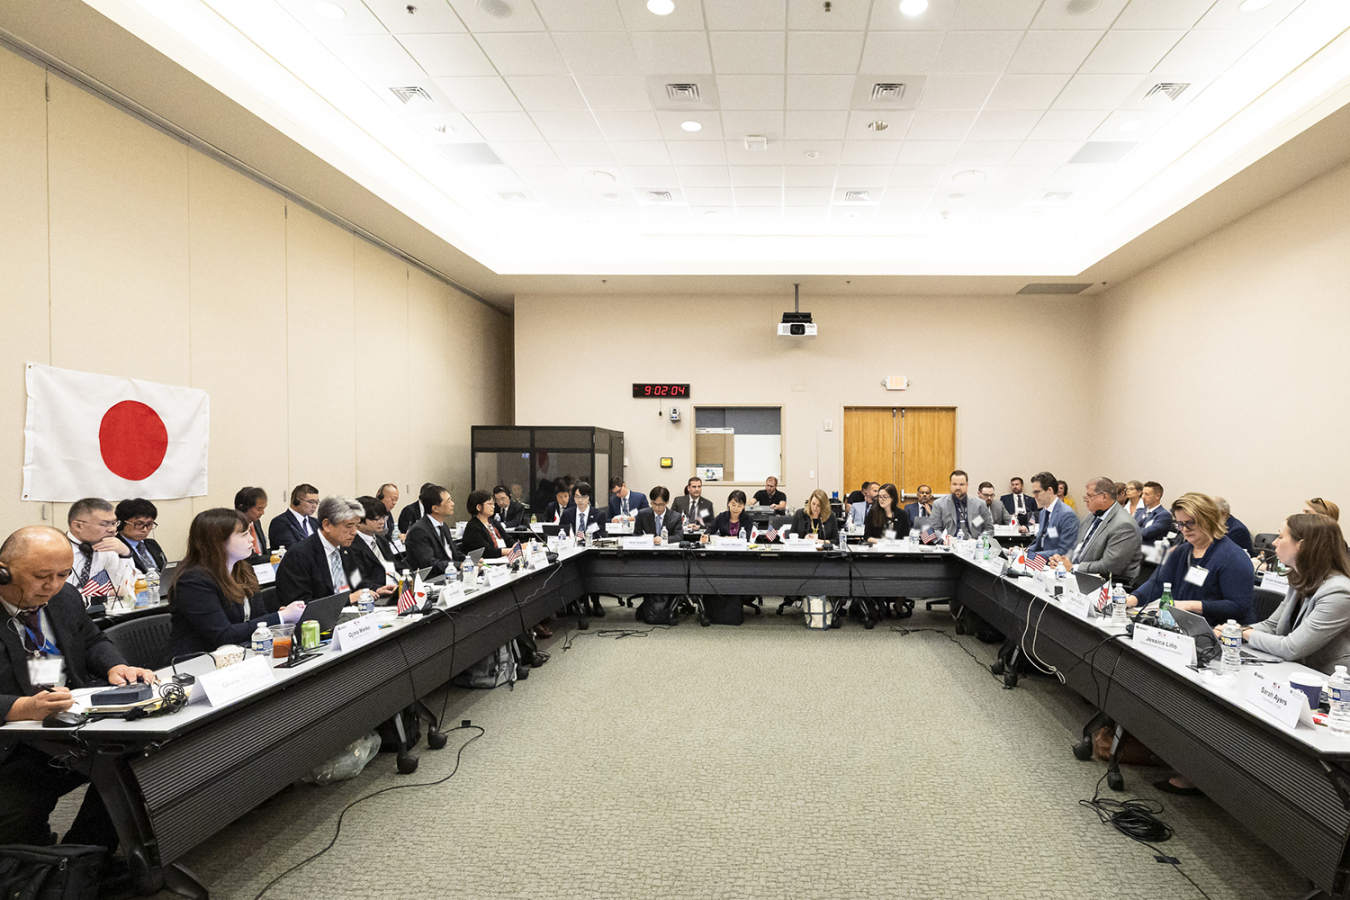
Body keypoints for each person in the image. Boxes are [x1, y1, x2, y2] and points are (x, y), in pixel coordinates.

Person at [0, 525, 158, 850]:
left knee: (137, 764)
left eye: (62, 574)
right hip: (12, 744)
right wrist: (22, 708)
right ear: (3, 571)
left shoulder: (64, 597)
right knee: (17, 814)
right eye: (42, 576)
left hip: (71, 728)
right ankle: (36, 870)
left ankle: (86, 861)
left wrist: (116, 665)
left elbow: (91, 639)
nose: (53, 586)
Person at [165, 509, 307, 661]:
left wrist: (279, 617)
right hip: (195, 662)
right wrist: (280, 617)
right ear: (218, 541)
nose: (252, 540)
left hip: (240, 656)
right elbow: (223, 635)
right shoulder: (193, 581)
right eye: (244, 534)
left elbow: (258, 617)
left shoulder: (243, 570)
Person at [1227, 513, 1350, 674]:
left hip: (1329, 681)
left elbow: (1291, 648)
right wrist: (1233, 630)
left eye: (1280, 536)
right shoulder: (1300, 578)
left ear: (1302, 545)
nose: (1274, 542)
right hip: (1296, 669)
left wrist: (1244, 633)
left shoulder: (1338, 592)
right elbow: (1272, 625)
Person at [1127, 492, 1256, 626]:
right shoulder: (1180, 551)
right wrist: (1131, 599)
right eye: (1180, 524)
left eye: (1190, 523)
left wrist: (1189, 606)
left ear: (1208, 519)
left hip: (1221, 632)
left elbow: (1238, 606)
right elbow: (1158, 584)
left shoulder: (1232, 557)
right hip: (1183, 624)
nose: (1185, 529)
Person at [459, 491, 549, 667]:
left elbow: (507, 539)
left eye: (493, 503)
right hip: (490, 569)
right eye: (490, 503)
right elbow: (487, 551)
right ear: (478, 507)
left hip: (506, 565)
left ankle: (529, 642)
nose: (494, 506)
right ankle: (525, 652)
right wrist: (512, 550)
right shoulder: (473, 527)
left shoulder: (493, 523)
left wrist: (518, 546)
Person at [276, 496, 390, 605]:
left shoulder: (346, 549)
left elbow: (357, 582)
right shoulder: (299, 555)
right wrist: (347, 600)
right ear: (327, 525)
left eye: (356, 526)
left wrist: (376, 589)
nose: (354, 532)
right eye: (349, 526)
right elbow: (300, 605)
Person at [1049, 477, 1142, 583]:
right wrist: (1061, 561)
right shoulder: (1090, 516)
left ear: (1104, 497)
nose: (1085, 499)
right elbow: (1077, 546)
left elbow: (1109, 567)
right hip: (1080, 576)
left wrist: (1072, 567)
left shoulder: (1124, 525)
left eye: (1089, 495)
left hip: (1109, 584)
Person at [862, 484, 913, 623]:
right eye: (879, 497)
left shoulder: (901, 514)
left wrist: (894, 544)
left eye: (885, 497)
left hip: (897, 555)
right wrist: (880, 541)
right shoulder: (873, 513)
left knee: (906, 569)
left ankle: (898, 602)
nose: (881, 499)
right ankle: (879, 602)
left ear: (893, 498)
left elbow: (905, 537)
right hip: (878, 555)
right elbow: (866, 537)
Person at [64, 497, 131, 601]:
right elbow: (55, 594)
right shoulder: (56, 550)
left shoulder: (108, 547)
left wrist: (125, 554)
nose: (112, 530)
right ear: (78, 526)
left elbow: (125, 589)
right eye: (104, 524)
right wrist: (105, 592)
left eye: (114, 523)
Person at [405, 484, 464, 575]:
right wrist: (458, 566)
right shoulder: (419, 531)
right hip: (433, 580)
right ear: (435, 508)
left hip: (451, 574)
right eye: (448, 501)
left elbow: (455, 553)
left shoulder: (444, 526)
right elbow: (429, 563)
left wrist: (468, 561)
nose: (453, 503)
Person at [1026, 471, 1080, 557]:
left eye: (1037, 492)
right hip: (1043, 564)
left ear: (1050, 490)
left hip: (1058, 566)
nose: (1034, 496)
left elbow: (1066, 551)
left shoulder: (1067, 515)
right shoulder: (1043, 513)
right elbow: (1044, 542)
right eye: (1034, 493)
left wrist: (1034, 556)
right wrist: (1027, 551)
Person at [350, 496, 399, 590]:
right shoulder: (352, 544)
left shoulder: (382, 539)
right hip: (377, 592)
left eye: (384, 518)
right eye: (377, 519)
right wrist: (378, 589)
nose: (382, 522)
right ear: (359, 520)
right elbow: (358, 581)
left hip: (397, 587)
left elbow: (396, 566)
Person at [932, 470, 994, 538]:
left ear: (967, 485)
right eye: (954, 484)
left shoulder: (980, 504)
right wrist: (943, 539)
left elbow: (989, 529)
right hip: (949, 545)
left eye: (961, 484)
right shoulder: (939, 504)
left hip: (974, 545)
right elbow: (935, 529)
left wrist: (979, 541)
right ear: (950, 485)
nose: (958, 487)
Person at [116, 498, 167, 574]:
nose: (145, 529)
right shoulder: (115, 547)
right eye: (139, 524)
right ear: (121, 523)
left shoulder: (152, 544)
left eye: (149, 524)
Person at [268, 483, 319, 550]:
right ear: (296, 501)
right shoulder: (280, 523)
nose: (314, 506)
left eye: (317, 502)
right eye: (311, 502)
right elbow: (292, 549)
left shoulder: (316, 522)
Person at [234, 486, 270, 565]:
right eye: (259, 509)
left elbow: (262, 552)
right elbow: (250, 559)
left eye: (263, 508)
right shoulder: (235, 528)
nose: (262, 512)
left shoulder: (256, 522)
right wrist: (273, 558)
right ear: (243, 509)